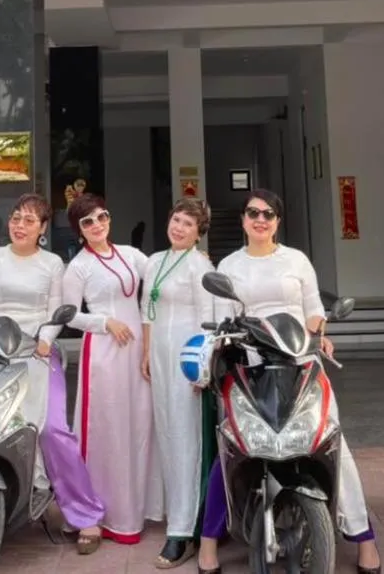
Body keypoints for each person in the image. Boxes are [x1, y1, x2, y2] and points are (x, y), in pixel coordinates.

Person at [196, 189, 381, 574]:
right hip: (248, 365)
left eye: (268, 213)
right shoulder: (230, 265)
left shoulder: (296, 260)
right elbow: (222, 319)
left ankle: (363, 537)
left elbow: (313, 310)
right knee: (232, 446)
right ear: (243, 220)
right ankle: (209, 540)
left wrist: (319, 334)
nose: (260, 219)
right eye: (253, 213)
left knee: (332, 444)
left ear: (278, 221)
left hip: (300, 362)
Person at [0, 193, 106, 554]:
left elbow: (56, 309)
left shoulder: (53, 263)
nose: (20, 225)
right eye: (16, 218)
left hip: (36, 351)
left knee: (52, 429)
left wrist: (45, 339)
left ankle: (85, 514)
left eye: (30, 220)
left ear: (43, 228)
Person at [63, 193, 161, 545]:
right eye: (87, 222)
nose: (96, 225)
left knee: (138, 424)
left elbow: (161, 278)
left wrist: (193, 261)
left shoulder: (131, 255)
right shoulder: (77, 267)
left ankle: (137, 507)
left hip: (136, 351)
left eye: (101, 216)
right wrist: (105, 323)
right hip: (103, 353)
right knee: (105, 430)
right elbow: (70, 314)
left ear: (109, 217)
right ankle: (94, 512)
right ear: (79, 230)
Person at [141, 198, 219, 569]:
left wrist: (202, 367)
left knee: (187, 440)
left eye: (188, 224)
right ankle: (176, 514)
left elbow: (209, 319)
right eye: (176, 220)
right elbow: (147, 310)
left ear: (198, 232)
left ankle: (186, 529)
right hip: (158, 355)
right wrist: (145, 353)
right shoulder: (155, 261)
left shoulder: (199, 265)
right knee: (167, 436)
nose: (179, 227)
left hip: (187, 360)